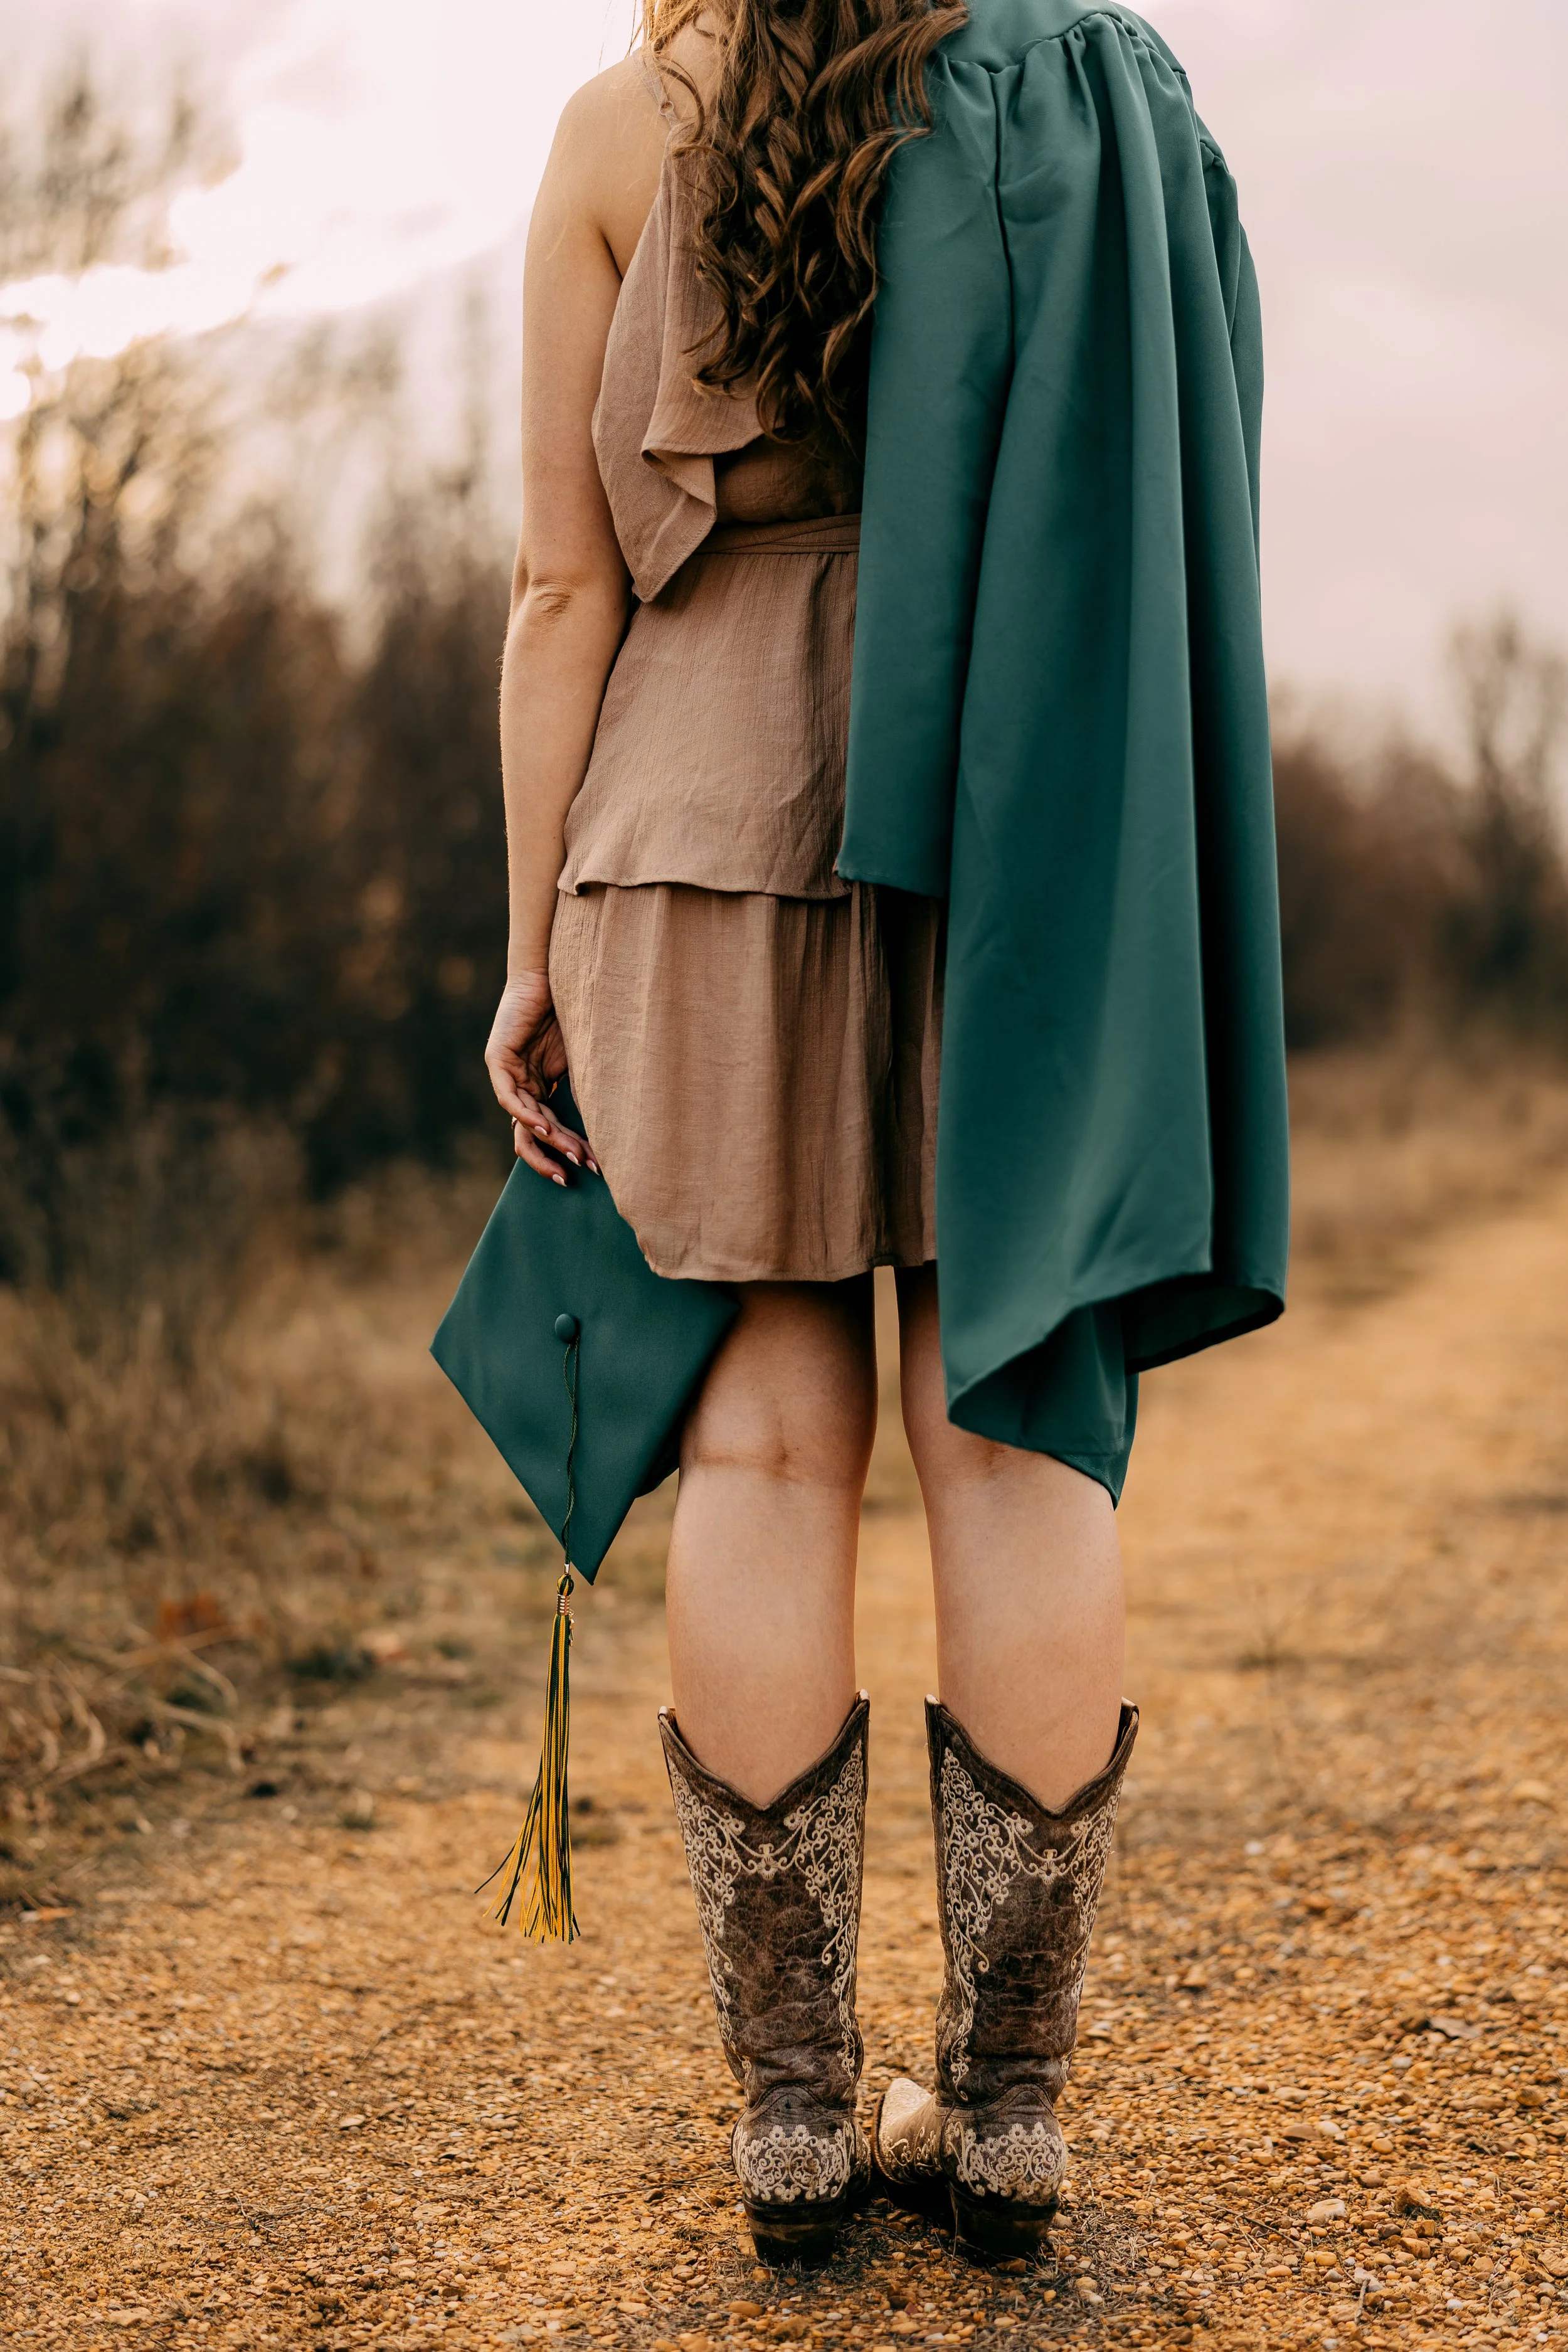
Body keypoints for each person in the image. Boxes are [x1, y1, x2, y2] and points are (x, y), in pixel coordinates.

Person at [484, 0, 1286, 2269]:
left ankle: (795, 2122)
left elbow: (561, 582)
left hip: (685, 818)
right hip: (1004, 820)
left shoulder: (622, 126)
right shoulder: (1075, 94)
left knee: (754, 1449)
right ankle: (1012, 2114)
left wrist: (529, 941)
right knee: (1004, 1428)